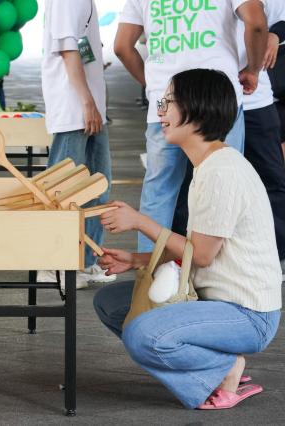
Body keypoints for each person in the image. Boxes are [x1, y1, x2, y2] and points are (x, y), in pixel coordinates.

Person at [94, 69, 281, 410]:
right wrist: (135, 261)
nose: (160, 111)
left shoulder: (222, 171)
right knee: (114, 304)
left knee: (142, 334)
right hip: (214, 301)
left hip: (247, 314)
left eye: (168, 102)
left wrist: (140, 222)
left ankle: (226, 369)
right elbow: (195, 250)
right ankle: (215, 364)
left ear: (198, 109)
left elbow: (203, 255)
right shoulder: (208, 166)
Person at [115, 0, 268, 252]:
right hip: (217, 98)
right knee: (225, 183)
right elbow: (257, 23)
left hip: (165, 105)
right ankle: (222, 268)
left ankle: (150, 279)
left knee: (159, 191)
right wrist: (252, 70)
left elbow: (122, 46)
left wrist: (155, 87)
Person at [40, 0, 114, 288]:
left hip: (89, 107)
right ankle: (54, 263)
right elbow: (68, 50)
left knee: (98, 186)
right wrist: (87, 102)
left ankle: (85, 261)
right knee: (64, 192)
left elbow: (81, 48)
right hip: (75, 110)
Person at [237, 0, 285, 274]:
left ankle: (275, 255)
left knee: (271, 180)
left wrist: (275, 34)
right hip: (213, 99)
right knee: (210, 182)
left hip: (257, 100)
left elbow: (275, 18)